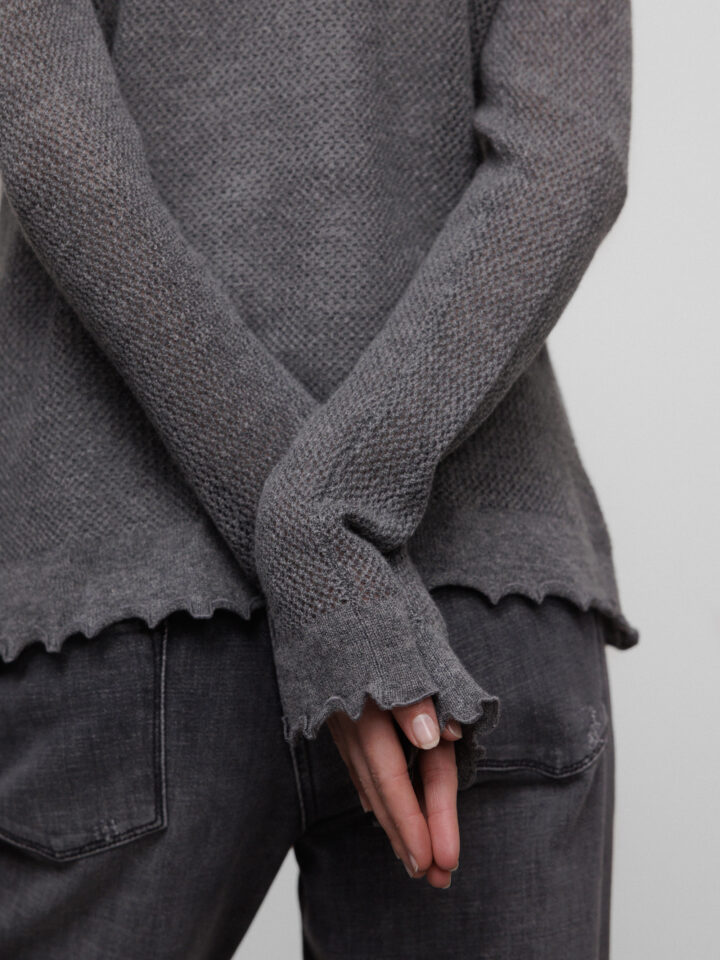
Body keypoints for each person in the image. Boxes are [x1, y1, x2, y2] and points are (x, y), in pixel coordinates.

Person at [0, 0, 640, 957]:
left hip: (132, 577)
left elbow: (60, 143)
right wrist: (324, 531)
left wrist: (322, 528)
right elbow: (568, 152)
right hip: (466, 584)